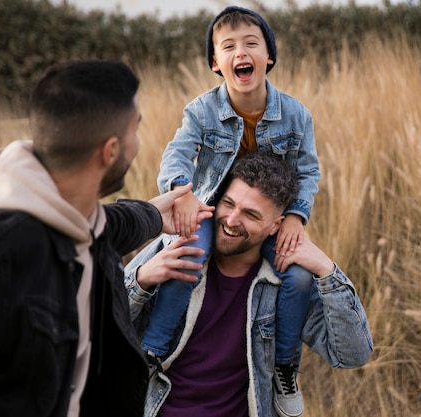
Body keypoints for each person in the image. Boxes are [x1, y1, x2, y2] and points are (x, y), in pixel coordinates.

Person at [0, 60, 208, 417]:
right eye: (135, 130)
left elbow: (111, 224)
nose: (138, 145)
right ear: (110, 151)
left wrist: (154, 215)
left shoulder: (72, 215)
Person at [136, 6, 321, 417]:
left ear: (268, 57)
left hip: (267, 219)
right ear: (216, 63)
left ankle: (284, 369)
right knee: (189, 255)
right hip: (209, 210)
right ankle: (152, 349)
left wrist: (295, 216)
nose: (242, 52)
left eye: (252, 44)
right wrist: (180, 194)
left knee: (299, 276)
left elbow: (308, 170)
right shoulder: (201, 111)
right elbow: (177, 155)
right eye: (229, 46)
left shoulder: (294, 114)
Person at [125, 151, 373, 417]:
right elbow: (97, 326)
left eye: (251, 215)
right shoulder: (176, 250)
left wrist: (327, 270)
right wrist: (141, 280)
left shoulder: (286, 281)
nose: (231, 220)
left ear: (276, 226)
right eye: (228, 204)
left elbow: (352, 355)